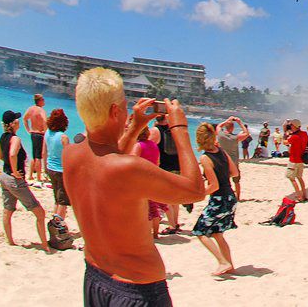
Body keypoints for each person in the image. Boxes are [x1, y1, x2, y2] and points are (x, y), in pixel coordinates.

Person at [63, 68, 205, 306]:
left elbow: (106, 156)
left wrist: (135, 126)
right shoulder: (129, 168)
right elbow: (194, 190)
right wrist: (179, 128)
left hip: (95, 277)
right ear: (116, 111)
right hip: (137, 290)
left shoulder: (70, 155)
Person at [0, 110, 50, 252]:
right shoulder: (16, 139)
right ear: (13, 123)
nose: (19, 121)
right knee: (40, 212)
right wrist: (15, 170)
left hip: (4, 176)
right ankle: (45, 245)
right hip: (14, 180)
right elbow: (12, 154)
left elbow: (0, 156)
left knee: (8, 210)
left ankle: (10, 241)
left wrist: (9, 167)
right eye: (17, 119)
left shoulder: (3, 137)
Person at [192, 122, 239, 276]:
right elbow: (234, 173)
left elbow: (213, 186)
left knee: (200, 231)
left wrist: (199, 194)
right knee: (218, 233)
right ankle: (229, 265)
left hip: (219, 199)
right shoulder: (221, 151)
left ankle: (222, 261)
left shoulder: (205, 158)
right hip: (231, 197)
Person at [133, 127, 168, 239]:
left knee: (145, 207)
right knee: (154, 206)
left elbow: (132, 162)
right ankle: (156, 233)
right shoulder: (153, 145)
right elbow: (158, 162)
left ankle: (146, 233)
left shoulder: (138, 146)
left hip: (142, 179)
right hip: (153, 177)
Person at [42, 108, 71, 221]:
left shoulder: (47, 133)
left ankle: (54, 223)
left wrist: (44, 167)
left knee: (57, 199)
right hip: (61, 170)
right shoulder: (64, 137)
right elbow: (69, 157)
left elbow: (44, 152)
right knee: (63, 201)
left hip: (50, 168)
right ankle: (57, 226)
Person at [215, 116, 250, 200]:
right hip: (233, 163)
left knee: (223, 181)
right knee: (236, 181)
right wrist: (240, 122)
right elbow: (246, 133)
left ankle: (222, 196)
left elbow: (218, 126)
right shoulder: (235, 138)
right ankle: (237, 198)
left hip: (222, 162)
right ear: (233, 128)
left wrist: (227, 120)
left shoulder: (220, 135)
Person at [283, 119, 308, 201]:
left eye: (291, 125)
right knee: (300, 178)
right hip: (301, 160)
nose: (290, 126)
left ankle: (299, 196)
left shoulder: (294, 137)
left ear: (294, 126)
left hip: (294, 160)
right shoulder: (304, 134)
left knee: (291, 178)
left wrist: (285, 134)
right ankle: (304, 195)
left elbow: (285, 142)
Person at [24, 94, 48, 182]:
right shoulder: (41, 110)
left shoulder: (31, 109)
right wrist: (45, 132)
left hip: (33, 133)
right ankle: (38, 177)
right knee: (38, 156)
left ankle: (30, 175)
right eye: (43, 99)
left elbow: (25, 118)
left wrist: (28, 130)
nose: (44, 101)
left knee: (34, 155)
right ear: (40, 100)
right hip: (39, 134)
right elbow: (45, 120)